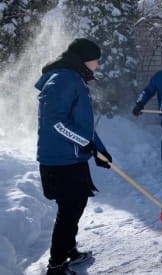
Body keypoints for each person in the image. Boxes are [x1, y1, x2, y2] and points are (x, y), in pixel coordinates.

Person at [35, 38, 113, 275]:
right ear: (84, 59)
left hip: (72, 158)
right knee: (68, 211)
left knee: (76, 205)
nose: (97, 65)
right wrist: (86, 144)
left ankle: (68, 249)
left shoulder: (74, 78)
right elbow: (55, 121)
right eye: (95, 60)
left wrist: (98, 148)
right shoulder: (63, 79)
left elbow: (83, 125)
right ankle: (56, 265)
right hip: (59, 161)